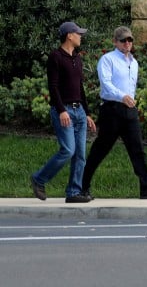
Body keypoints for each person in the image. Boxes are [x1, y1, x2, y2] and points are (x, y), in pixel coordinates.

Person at [81, 26, 147, 200]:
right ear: (115, 42)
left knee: (138, 149)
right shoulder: (107, 59)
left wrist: (130, 101)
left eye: (130, 40)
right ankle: (82, 186)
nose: (127, 43)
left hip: (129, 110)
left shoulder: (134, 62)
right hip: (112, 109)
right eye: (123, 40)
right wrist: (122, 97)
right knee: (100, 149)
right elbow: (106, 84)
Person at [30, 21, 97, 203]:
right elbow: (53, 86)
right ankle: (38, 179)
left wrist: (87, 113)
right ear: (69, 35)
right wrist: (61, 110)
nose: (80, 36)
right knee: (68, 150)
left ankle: (73, 192)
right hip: (64, 111)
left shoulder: (77, 58)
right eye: (78, 33)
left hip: (79, 112)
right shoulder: (56, 57)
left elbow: (80, 88)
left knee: (80, 155)